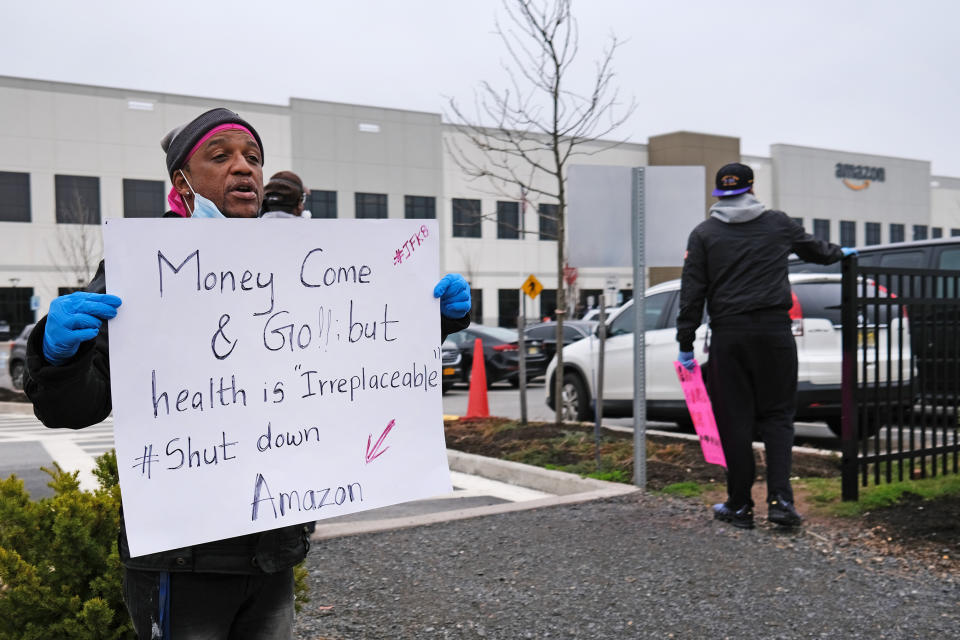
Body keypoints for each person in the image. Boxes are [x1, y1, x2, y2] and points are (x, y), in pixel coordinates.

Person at [23, 107, 472, 639]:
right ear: (182, 182)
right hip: (182, 558)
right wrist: (58, 356)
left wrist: (429, 323)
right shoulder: (139, 267)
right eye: (222, 156)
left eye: (253, 158)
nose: (244, 169)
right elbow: (72, 408)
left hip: (271, 553)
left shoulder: (299, 266)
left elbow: (346, 374)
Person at [675, 162, 854, 530]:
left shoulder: (704, 233)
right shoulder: (777, 223)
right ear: (751, 189)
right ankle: (781, 503)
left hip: (729, 336)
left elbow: (692, 294)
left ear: (719, 193)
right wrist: (842, 253)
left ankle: (740, 506)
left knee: (735, 420)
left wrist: (685, 343)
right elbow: (817, 251)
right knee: (777, 417)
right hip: (775, 334)